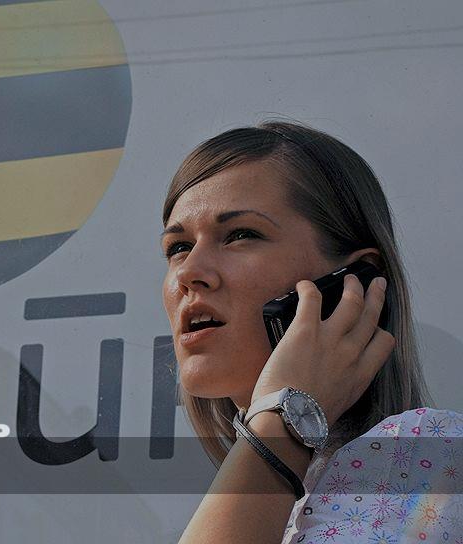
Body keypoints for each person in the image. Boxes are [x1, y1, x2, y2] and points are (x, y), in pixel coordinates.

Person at [159, 121, 462, 543]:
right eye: (179, 247)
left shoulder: (427, 454)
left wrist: (287, 416)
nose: (189, 272)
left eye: (241, 235)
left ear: (354, 284)